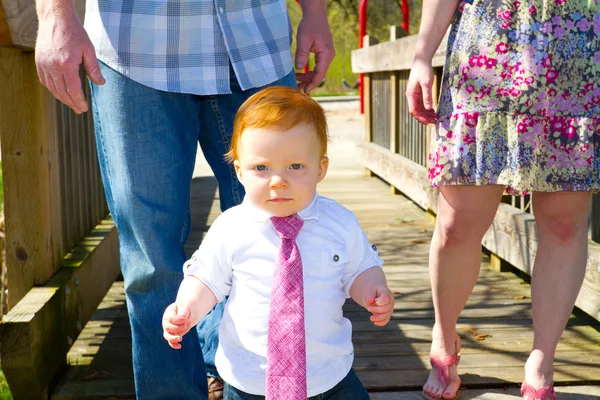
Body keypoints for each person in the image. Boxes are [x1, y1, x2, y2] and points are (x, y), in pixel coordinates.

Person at [33, 0, 334, 399]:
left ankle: (246, 377)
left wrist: (315, 10)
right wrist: (56, 13)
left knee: (279, 234)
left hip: (254, 40)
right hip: (134, 49)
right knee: (151, 259)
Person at [406, 1, 598, 399]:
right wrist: (423, 54)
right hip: (486, 52)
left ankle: (542, 360)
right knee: (458, 224)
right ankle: (444, 335)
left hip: (578, 49)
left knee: (564, 223)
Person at [161, 86, 394, 400]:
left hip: (329, 376)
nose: (278, 180)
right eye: (261, 168)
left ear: (320, 169)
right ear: (240, 172)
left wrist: (373, 291)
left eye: (295, 167)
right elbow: (206, 279)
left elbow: (360, 268)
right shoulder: (232, 228)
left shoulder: (339, 223)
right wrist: (186, 308)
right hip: (250, 380)